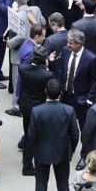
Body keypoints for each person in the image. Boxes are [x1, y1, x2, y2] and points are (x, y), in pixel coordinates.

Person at [57, 29, 96, 169]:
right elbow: (62, 71)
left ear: (79, 44)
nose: (68, 45)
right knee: (64, 126)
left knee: (84, 130)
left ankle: (84, 156)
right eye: (68, 42)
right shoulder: (65, 51)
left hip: (81, 100)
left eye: (71, 43)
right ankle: (66, 151)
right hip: (65, 96)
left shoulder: (91, 58)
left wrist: (88, 100)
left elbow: (94, 81)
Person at [28, 79, 79, 191]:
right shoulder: (69, 110)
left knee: (41, 185)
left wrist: (35, 150)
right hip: (62, 153)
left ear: (46, 91)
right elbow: (75, 134)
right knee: (62, 185)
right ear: (60, 93)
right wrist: (70, 151)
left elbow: (31, 135)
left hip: (41, 153)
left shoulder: (36, 111)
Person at [18, 46, 54, 175]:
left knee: (27, 133)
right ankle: (28, 166)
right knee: (35, 137)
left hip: (26, 105)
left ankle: (27, 162)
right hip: (38, 107)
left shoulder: (22, 69)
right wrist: (47, 64)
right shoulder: (47, 74)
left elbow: (26, 66)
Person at [7, 0, 44, 115]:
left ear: (16, 2)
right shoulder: (36, 10)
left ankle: (17, 107)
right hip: (35, 50)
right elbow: (43, 23)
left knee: (18, 79)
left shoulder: (17, 16)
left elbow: (21, 36)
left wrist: (9, 43)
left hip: (19, 53)